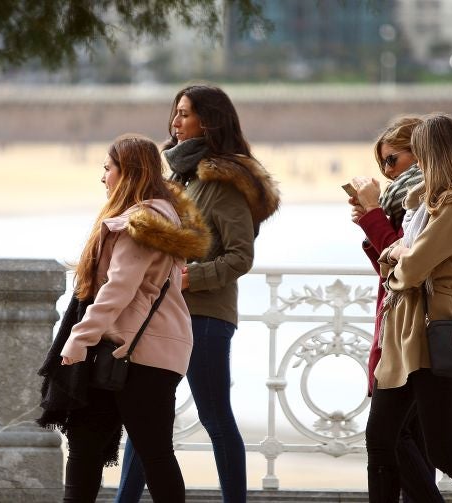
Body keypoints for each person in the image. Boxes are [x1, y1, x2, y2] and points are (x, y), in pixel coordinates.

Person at [116, 84, 280, 503]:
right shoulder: (180, 178)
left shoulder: (222, 182)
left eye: (185, 113)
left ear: (209, 122)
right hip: (165, 315)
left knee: (215, 417)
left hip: (206, 317)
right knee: (147, 418)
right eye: (175, 112)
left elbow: (241, 255)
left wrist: (191, 278)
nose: (175, 121)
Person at [37, 134, 211, 502]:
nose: (103, 177)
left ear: (128, 171)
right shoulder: (159, 217)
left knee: (149, 453)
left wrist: (79, 338)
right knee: (89, 446)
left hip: (138, 355)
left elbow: (119, 288)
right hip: (133, 350)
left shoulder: (142, 223)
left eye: (108, 168)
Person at [365, 113, 452, 502]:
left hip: (430, 331)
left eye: (421, 152)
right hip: (408, 330)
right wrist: (397, 256)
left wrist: (397, 259)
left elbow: (412, 267)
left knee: (443, 451)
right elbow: (400, 258)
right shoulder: (426, 205)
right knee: (381, 439)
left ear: (433, 152)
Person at [349, 116, 440, 502]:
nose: (386, 172)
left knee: (391, 438)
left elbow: (407, 269)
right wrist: (372, 221)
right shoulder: (407, 202)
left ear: (419, 155)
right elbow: (390, 272)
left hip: (413, 331)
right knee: (416, 439)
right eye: (382, 163)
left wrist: (373, 215)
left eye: (392, 160)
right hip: (404, 327)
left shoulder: (426, 199)